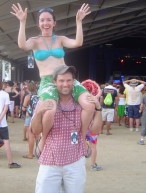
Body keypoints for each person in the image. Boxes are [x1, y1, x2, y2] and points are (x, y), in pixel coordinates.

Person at [11, 3, 94, 154]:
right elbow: (22, 44)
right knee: (49, 111)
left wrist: (79, 22)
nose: (45, 23)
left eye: (49, 20)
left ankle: (82, 138)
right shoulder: (35, 41)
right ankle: (43, 140)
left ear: (54, 23)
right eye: (42, 20)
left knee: (89, 105)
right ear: (39, 23)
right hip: (48, 81)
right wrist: (22, 22)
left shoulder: (60, 39)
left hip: (66, 77)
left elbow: (78, 43)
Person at [31, 65, 101, 193]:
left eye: (69, 80)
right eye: (61, 81)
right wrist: (38, 113)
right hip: (50, 161)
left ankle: (81, 136)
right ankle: (44, 140)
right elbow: (35, 131)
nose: (65, 84)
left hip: (75, 161)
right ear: (55, 82)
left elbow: (95, 131)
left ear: (73, 82)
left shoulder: (81, 102)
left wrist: (98, 108)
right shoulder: (46, 101)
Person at [22, 81, 39, 159]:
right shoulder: (39, 95)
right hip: (39, 116)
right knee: (38, 135)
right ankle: (39, 152)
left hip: (30, 116)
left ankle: (30, 153)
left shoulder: (28, 96)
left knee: (31, 135)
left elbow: (24, 107)